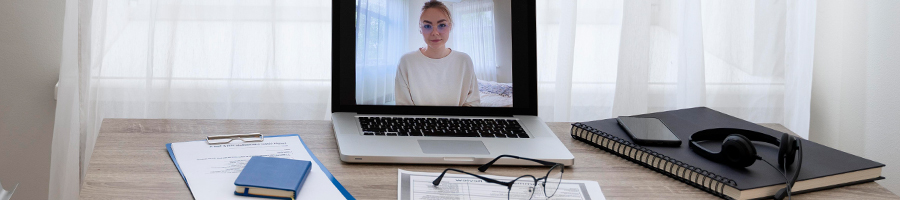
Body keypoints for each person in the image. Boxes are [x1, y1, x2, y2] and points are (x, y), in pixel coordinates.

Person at [395, 0, 480, 106]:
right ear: (420, 29)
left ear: (450, 26)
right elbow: (403, 107)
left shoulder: (464, 60)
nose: (435, 33)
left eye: (442, 25)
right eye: (427, 26)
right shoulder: (406, 61)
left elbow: (473, 103)